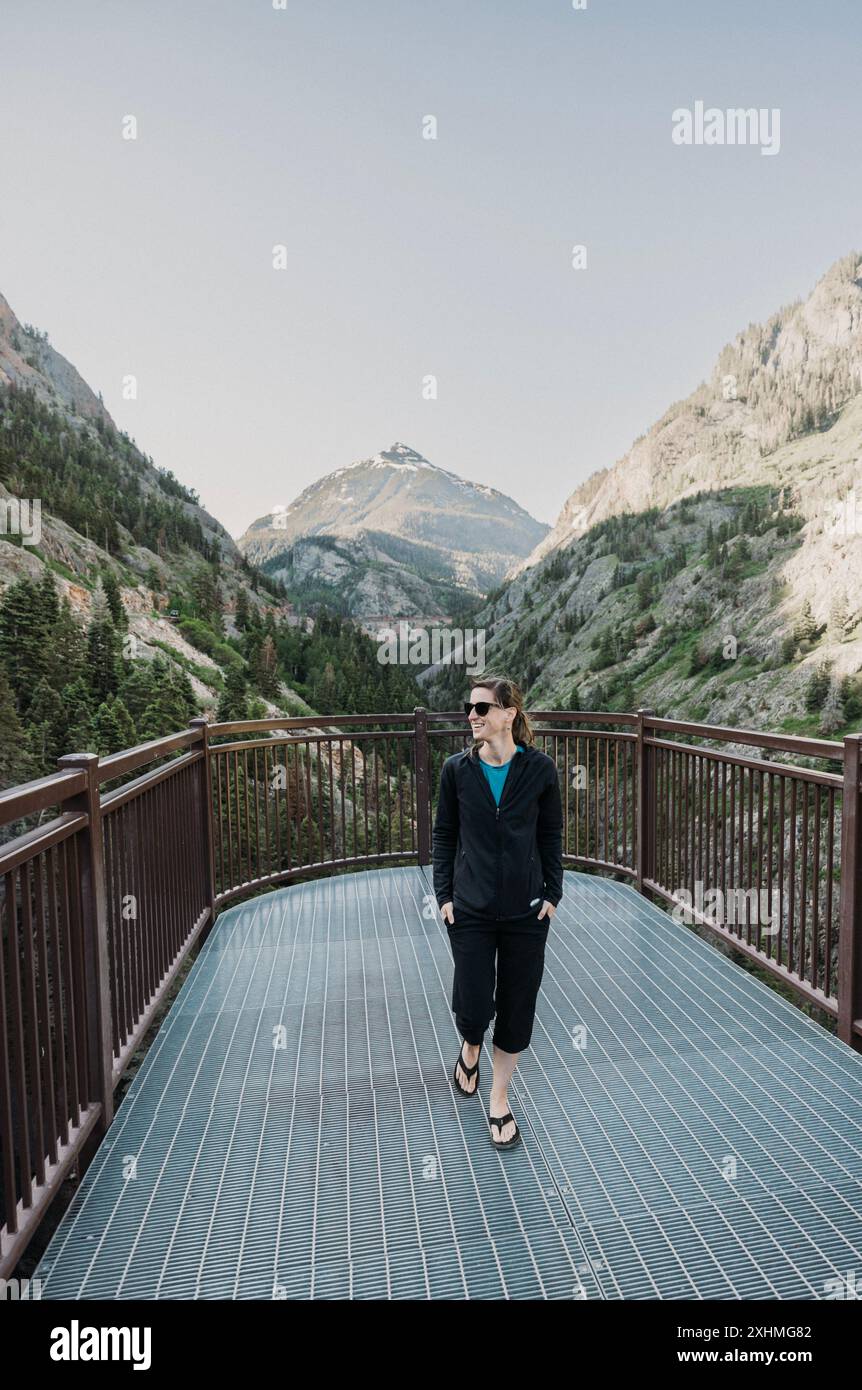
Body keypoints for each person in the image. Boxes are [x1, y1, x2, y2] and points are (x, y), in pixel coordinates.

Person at [432, 674, 563, 1149]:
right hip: (469, 908)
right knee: (473, 1002)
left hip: (527, 912)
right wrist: (444, 896)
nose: (472, 715)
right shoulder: (456, 770)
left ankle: (499, 1097)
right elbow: (445, 835)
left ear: (509, 714)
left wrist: (553, 894)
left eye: (482, 708)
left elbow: (550, 836)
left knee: (516, 1007)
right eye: (470, 707)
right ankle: (470, 1047)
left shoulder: (541, 771)